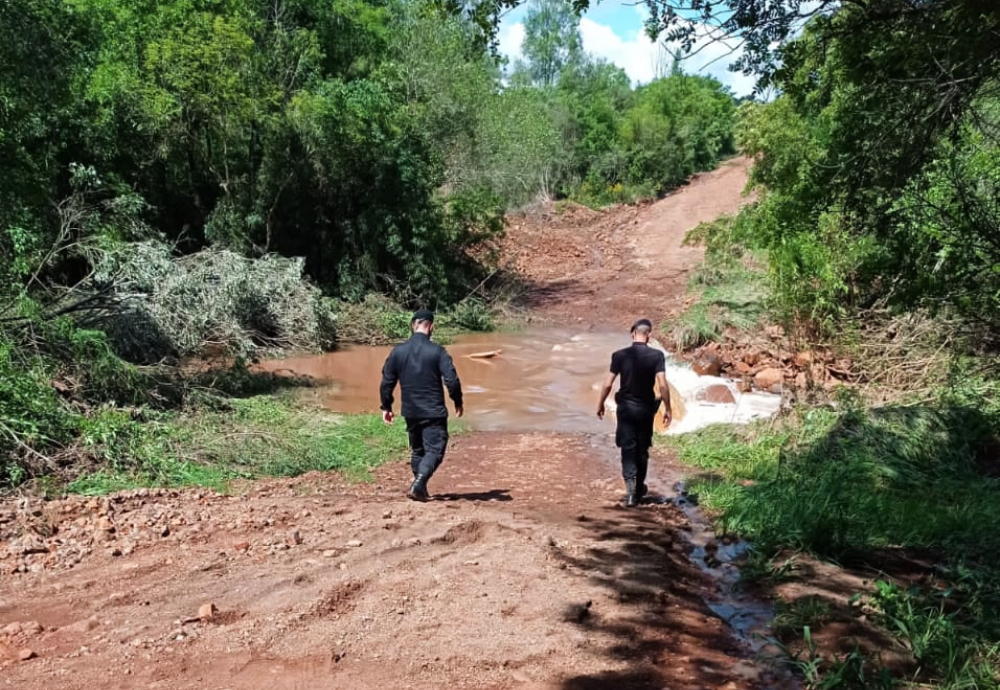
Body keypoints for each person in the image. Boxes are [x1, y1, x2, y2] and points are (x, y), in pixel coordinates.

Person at [379, 309, 464, 501]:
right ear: (431, 327)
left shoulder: (397, 352)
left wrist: (386, 407)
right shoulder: (438, 351)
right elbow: (452, 380)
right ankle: (418, 484)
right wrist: (457, 401)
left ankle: (420, 487)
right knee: (435, 450)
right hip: (433, 411)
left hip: (410, 411)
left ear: (413, 325)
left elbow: (386, 382)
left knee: (418, 450)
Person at [596, 318, 672, 508]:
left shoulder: (619, 355)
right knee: (642, 449)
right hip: (646, 409)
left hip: (626, 410)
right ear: (649, 336)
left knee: (628, 449)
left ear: (633, 334)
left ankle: (630, 494)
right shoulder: (657, 356)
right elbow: (662, 384)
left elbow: (607, 383)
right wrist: (668, 408)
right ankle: (638, 490)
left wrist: (601, 404)